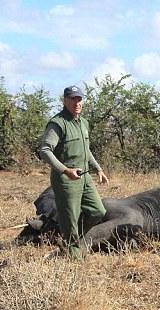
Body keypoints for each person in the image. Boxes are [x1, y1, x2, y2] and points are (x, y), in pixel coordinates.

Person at [37, 85, 109, 259]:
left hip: (84, 176)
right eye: (72, 99)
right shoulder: (58, 123)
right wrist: (65, 170)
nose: (77, 102)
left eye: (79, 99)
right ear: (65, 100)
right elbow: (45, 150)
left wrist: (98, 168)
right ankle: (73, 258)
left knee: (97, 211)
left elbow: (86, 149)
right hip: (66, 179)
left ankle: (69, 240)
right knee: (70, 218)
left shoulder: (83, 122)